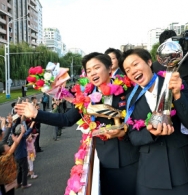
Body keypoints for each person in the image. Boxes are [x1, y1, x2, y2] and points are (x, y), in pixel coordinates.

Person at [15, 53, 139, 195]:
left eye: (96, 68)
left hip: (130, 160)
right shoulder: (86, 98)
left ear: (109, 68)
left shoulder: (128, 91)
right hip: (101, 160)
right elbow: (66, 119)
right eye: (89, 70)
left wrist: (123, 131)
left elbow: (137, 121)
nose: (92, 73)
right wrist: (36, 114)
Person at [119, 48, 188, 195]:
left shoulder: (175, 82)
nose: (132, 71)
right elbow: (132, 136)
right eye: (127, 69)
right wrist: (150, 134)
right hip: (150, 176)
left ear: (149, 62)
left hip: (183, 171)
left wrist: (177, 94)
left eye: (135, 64)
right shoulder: (131, 98)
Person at [0, 125, 25, 195]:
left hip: (7, 181)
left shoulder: (4, 156)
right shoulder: (3, 159)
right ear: (3, 152)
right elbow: (13, 148)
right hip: (6, 182)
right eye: (7, 147)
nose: (9, 146)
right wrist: (22, 133)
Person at [14, 121, 35, 189]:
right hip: (22, 155)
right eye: (23, 127)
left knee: (19, 170)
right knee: (24, 170)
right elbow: (28, 132)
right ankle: (24, 184)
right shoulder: (22, 137)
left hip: (17, 156)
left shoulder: (15, 137)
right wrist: (32, 124)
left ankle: (18, 183)